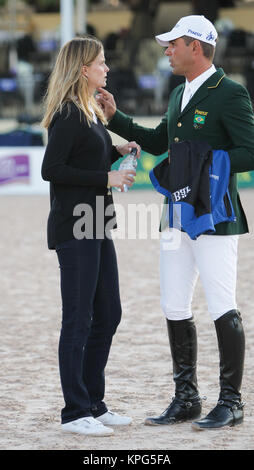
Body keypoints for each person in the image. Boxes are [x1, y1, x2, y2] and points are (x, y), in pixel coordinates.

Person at [97, 15, 254, 430]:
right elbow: (157, 141)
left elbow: (250, 151)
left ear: (196, 48)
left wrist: (206, 162)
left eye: (173, 44)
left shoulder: (230, 93)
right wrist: (116, 117)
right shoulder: (178, 92)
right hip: (175, 216)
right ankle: (186, 398)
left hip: (216, 217)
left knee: (222, 305)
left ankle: (232, 401)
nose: (167, 50)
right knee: (173, 304)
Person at [41, 35, 141, 436]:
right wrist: (107, 176)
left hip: (97, 222)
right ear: (83, 69)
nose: (107, 68)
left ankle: (94, 404)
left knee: (109, 313)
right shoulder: (67, 113)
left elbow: (88, 153)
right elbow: (53, 168)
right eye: (101, 63)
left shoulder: (90, 111)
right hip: (74, 226)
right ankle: (74, 412)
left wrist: (117, 150)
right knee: (78, 319)